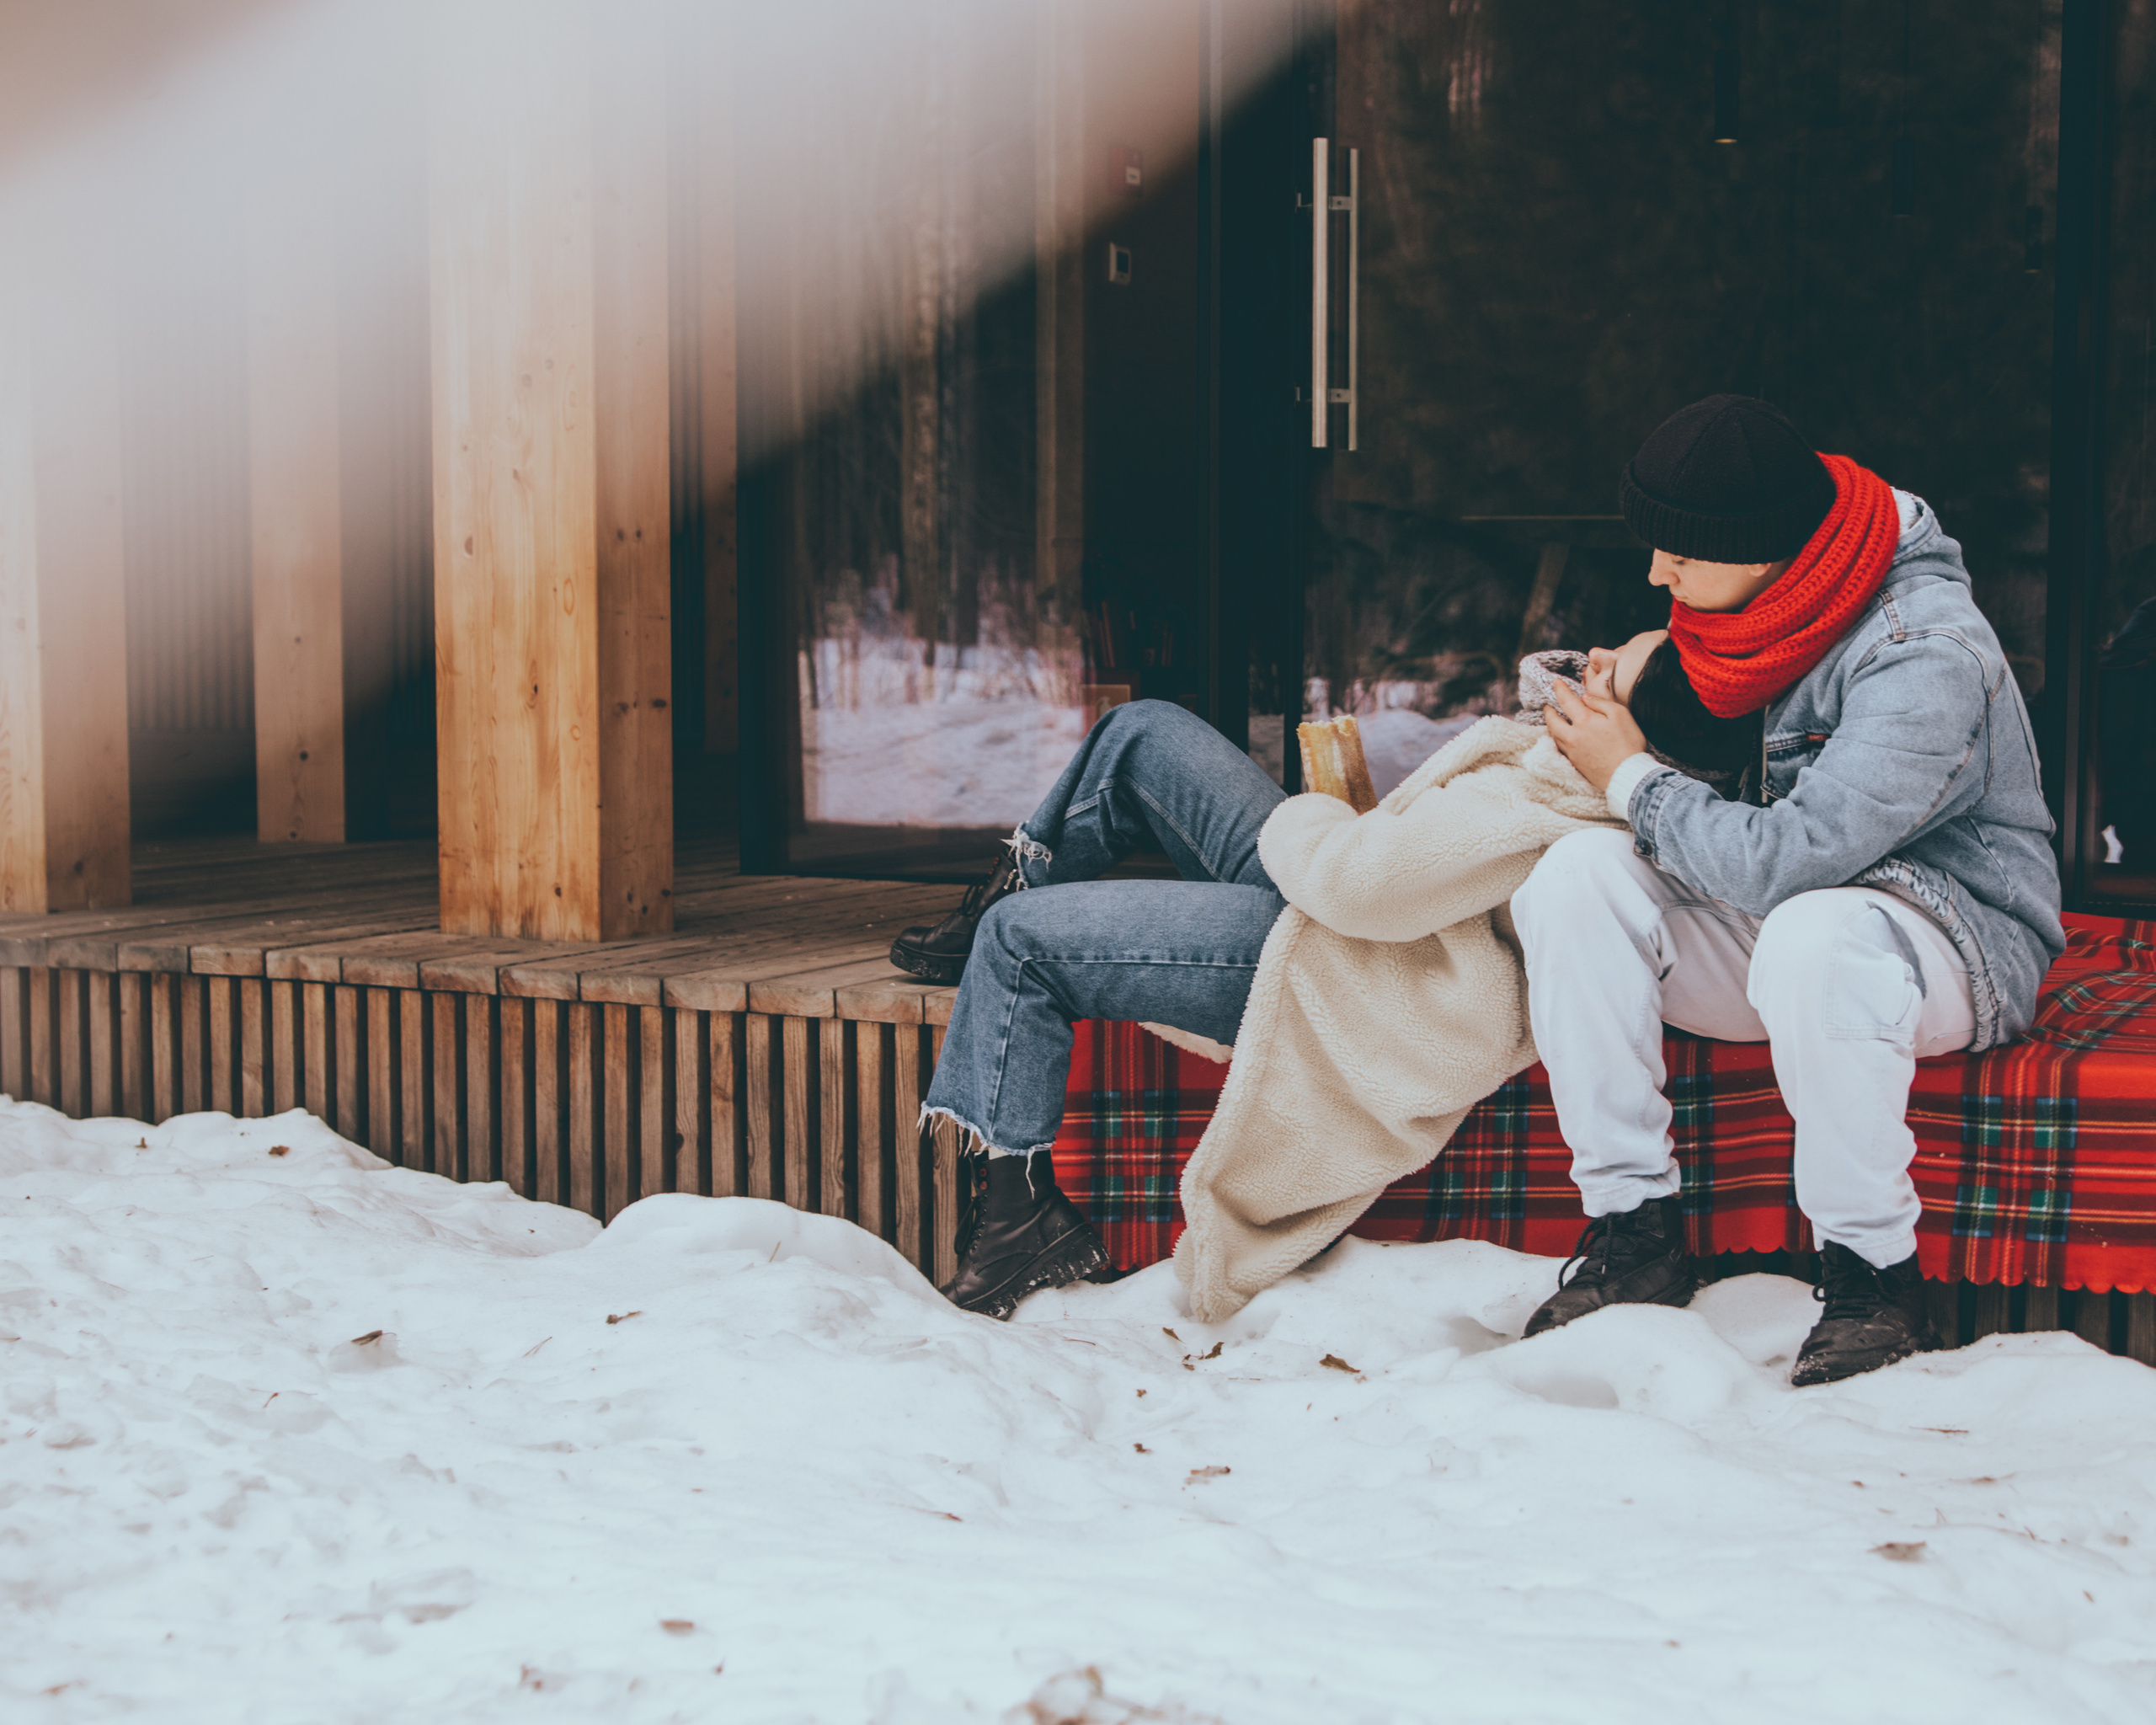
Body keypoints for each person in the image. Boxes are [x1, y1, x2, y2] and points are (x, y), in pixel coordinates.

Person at [889, 631, 1752, 1321]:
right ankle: (1019, 876)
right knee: (1144, 728)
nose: (1592, 656)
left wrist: (1320, 815)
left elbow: (1354, 884)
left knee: (1020, 943)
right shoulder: (1582, 767)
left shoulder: (1557, 801)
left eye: (1608, 671)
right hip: (1347, 904)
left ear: (1626, 740)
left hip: (1337, 962)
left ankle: (1021, 1223)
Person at [1515, 394, 2064, 1386]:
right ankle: (1632, 1233)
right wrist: (1626, 695)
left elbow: (1792, 859)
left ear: (1761, 548)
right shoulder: (1769, 601)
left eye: (1680, 554)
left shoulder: (1923, 648)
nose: (1656, 575)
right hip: (1794, 917)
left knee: (1813, 932)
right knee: (1574, 877)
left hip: (1952, 936)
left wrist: (1629, 772)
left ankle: (1872, 1280)